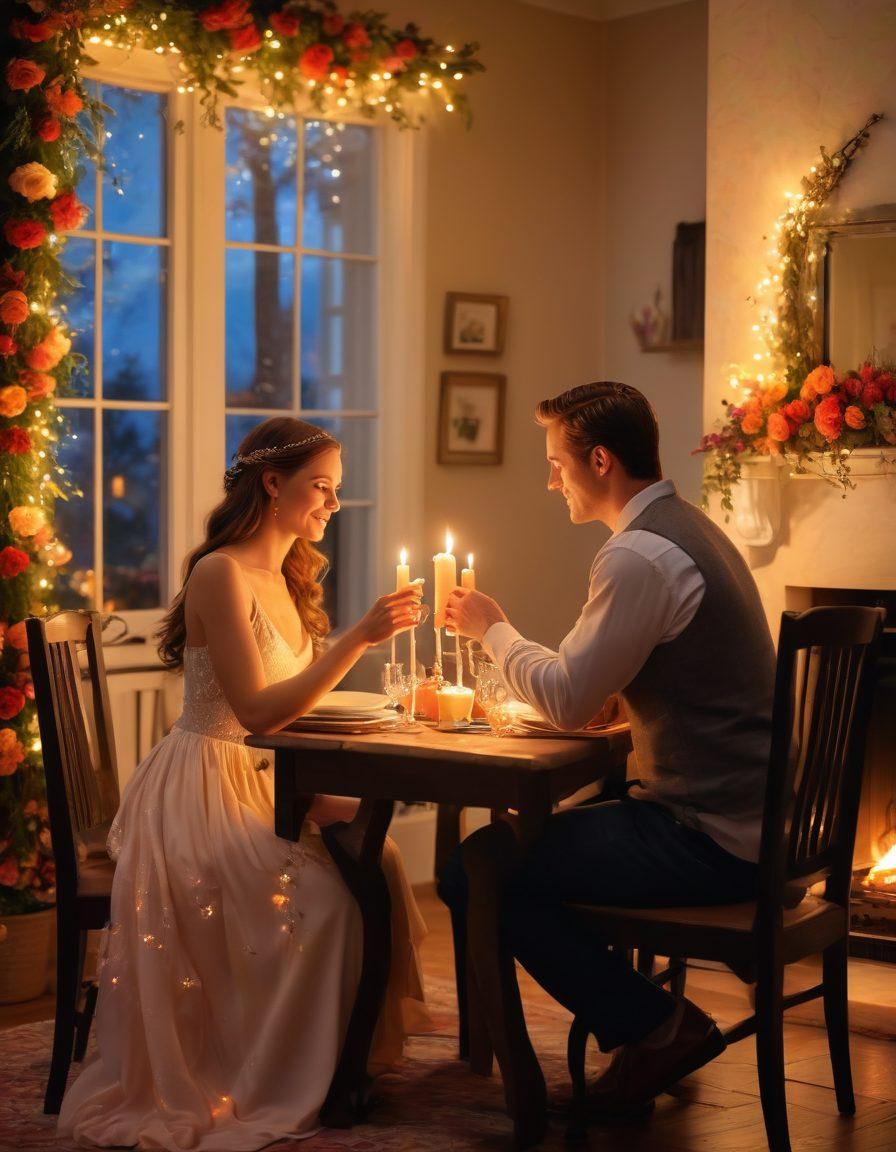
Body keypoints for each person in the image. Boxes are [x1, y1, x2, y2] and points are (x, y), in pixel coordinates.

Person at [59, 417, 431, 1150]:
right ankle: (273, 1073)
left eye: (336, 489)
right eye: (321, 487)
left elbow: (294, 702)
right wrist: (359, 637)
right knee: (324, 900)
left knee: (378, 860)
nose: (332, 503)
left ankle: (337, 1061)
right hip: (201, 787)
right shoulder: (221, 573)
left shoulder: (285, 574)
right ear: (271, 483)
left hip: (263, 778)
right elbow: (258, 711)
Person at [441, 382, 775, 1114]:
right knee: (514, 853)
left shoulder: (640, 558)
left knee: (477, 867)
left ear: (599, 460)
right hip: (749, 821)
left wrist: (493, 629)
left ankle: (657, 1028)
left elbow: (563, 695)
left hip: (708, 836)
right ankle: (646, 1024)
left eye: (558, 462)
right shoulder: (691, 529)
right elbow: (614, 685)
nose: (550, 478)